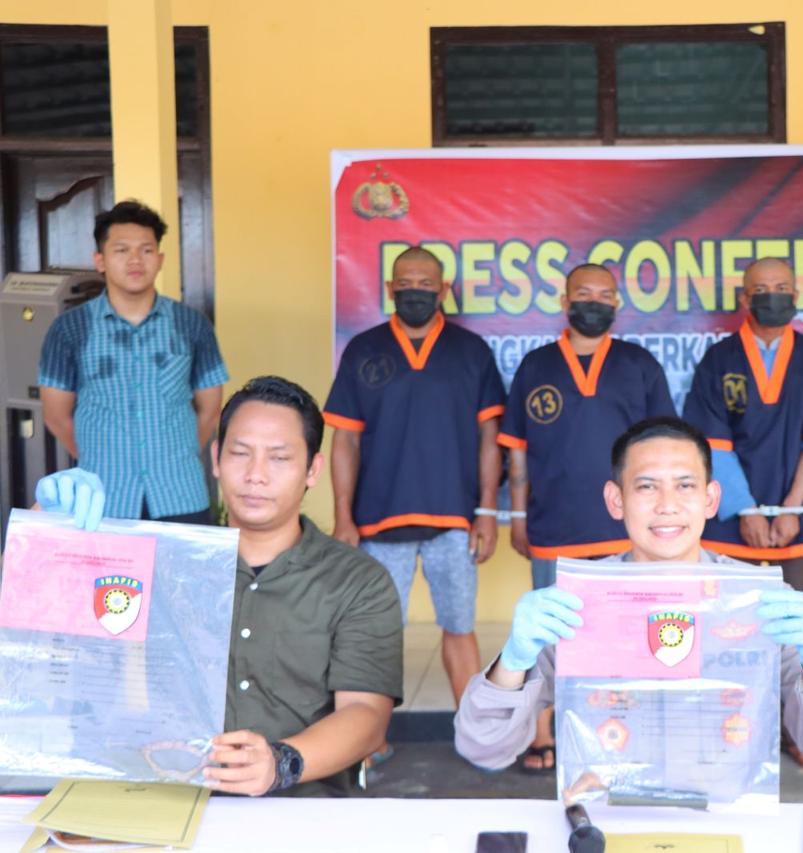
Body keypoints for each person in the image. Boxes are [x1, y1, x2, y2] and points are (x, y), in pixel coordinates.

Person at [36, 376, 403, 796]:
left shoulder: (357, 581)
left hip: (302, 805)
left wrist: (280, 763)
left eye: (279, 458)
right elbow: (43, 616)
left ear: (312, 470)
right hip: (166, 798)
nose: (256, 475)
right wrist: (45, 526)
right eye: (240, 453)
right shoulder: (158, 562)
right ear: (215, 458)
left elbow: (366, 713)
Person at [454, 416, 803, 774]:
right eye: (646, 487)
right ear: (615, 500)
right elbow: (483, 747)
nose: (667, 505)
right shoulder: (578, 604)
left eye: (685, 485)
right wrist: (513, 661)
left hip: (726, 820)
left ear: (711, 499)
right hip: (606, 821)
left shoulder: (757, 602)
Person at [497, 262, 675, 771]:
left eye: (603, 294)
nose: (593, 302)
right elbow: (517, 452)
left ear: (617, 303)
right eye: (583, 293)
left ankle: (625, 736)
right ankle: (543, 732)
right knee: (549, 639)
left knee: (629, 637)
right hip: (554, 527)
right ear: (564, 301)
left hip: (627, 531)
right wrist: (518, 517)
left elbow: (663, 448)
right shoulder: (536, 366)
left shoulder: (639, 364)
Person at [324, 246, 505, 712]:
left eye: (426, 285)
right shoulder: (364, 349)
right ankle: (369, 738)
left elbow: (490, 438)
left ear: (443, 290)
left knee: (460, 628)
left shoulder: (470, 351)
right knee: (376, 637)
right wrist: (343, 517)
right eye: (405, 284)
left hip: (454, 519)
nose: (415, 292)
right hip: (377, 519)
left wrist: (487, 510)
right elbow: (344, 440)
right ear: (390, 288)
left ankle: (474, 732)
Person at [38, 200, 228, 524]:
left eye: (146, 250)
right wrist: (101, 457)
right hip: (103, 499)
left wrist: (175, 454)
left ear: (160, 259)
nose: (135, 260)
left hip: (180, 493)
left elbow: (210, 410)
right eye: (122, 250)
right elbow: (56, 416)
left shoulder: (191, 324)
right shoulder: (69, 329)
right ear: (100, 260)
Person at [682, 257, 803, 593]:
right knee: (728, 613)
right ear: (744, 299)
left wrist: (792, 508)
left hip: (796, 513)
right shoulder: (719, 359)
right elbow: (713, 444)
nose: (772, 296)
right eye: (761, 289)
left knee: (793, 614)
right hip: (730, 512)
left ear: (796, 295)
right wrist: (745, 510)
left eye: (781, 288)